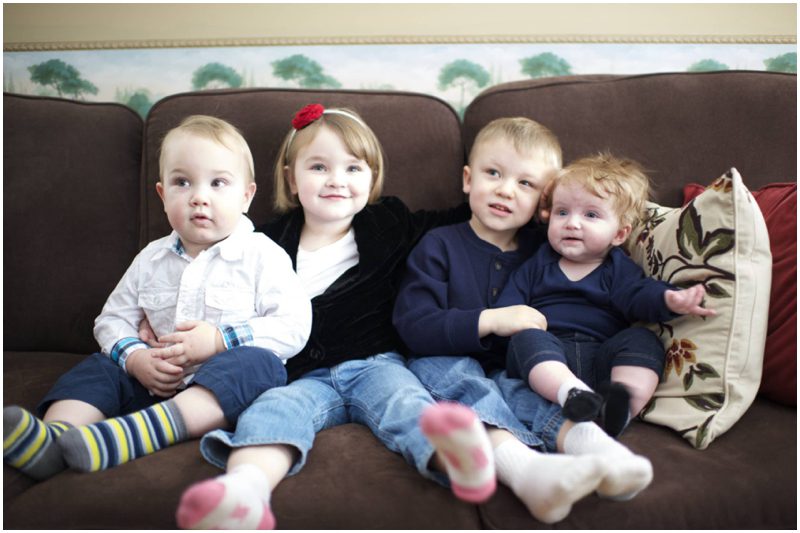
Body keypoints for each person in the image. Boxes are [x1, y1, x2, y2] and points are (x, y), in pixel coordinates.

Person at [171, 105, 604, 529]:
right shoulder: (261, 243)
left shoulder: (389, 222)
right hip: (296, 376)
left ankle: (466, 463)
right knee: (270, 412)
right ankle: (243, 491)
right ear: (291, 178)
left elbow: (473, 220)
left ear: (373, 179)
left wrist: (552, 212)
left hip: (377, 363)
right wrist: (166, 325)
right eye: (319, 167)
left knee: (409, 405)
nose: (336, 181)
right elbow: (213, 287)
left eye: (353, 169)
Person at [3, 115, 311, 480]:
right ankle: (55, 441)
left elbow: (293, 326)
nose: (199, 197)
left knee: (262, 365)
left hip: (217, 393)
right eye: (183, 183)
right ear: (163, 195)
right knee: (101, 367)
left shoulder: (262, 256)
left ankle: (150, 430)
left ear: (246, 196)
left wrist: (218, 339)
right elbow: (111, 320)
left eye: (218, 183)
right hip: (151, 380)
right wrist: (135, 358)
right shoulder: (150, 259)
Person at [394, 119, 657, 523]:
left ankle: (603, 452)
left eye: (526, 184)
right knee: (468, 383)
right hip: (441, 359)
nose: (505, 189)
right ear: (468, 179)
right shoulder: (439, 245)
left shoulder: (548, 248)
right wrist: (492, 319)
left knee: (528, 395)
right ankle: (527, 471)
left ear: (545, 204)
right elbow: (413, 324)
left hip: (518, 368)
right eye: (493, 174)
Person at [497, 153, 716, 436]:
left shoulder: (617, 269)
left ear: (619, 234)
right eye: (562, 212)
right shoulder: (537, 264)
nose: (572, 223)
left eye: (590, 215)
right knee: (525, 337)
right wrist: (510, 321)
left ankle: (619, 409)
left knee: (642, 339)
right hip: (547, 359)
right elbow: (506, 308)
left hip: (602, 359)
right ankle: (570, 394)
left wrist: (669, 299)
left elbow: (639, 295)